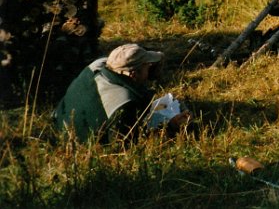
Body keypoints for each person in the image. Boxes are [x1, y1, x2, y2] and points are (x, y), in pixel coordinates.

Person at [53, 43, 190, 142]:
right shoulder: (124, 102)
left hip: (59, 121)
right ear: (133, 74)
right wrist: (171, 127)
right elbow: (123, 145)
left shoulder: (97, 64)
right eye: (147, 66)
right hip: (74, 141)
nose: (150, 68)